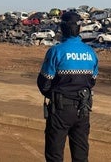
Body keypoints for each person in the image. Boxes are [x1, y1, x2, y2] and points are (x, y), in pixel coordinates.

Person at [37, 11, 99, 162]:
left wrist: (54, 95)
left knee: (55, 154)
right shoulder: (91, 53)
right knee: (81, 155)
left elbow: (44, 82)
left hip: (60, 109)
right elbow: (92, 81)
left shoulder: (56, 51)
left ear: (62, 28)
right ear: (79, 29)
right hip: (83, 110)